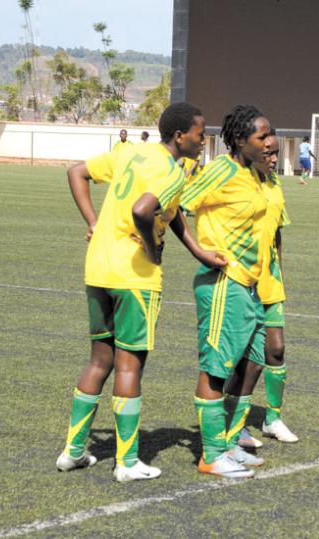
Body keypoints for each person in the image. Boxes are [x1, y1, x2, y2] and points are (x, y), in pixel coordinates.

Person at [56, 102, 226, 483]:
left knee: (100, 361)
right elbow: (144, 210)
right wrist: (151, 248)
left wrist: (94, 222)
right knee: (130, 365)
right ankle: (127, 462)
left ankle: (73, 451)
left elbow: (77, 172)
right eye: (200, 135)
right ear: (180, 136)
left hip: (98, 267)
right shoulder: (172, 171)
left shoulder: (130, 151)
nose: (203, 141)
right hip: (134, 277)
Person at [180, 104, 273, 479]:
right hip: (223, 283)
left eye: (270, 134)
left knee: (251, 360)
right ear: (239, 140)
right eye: (262, 136)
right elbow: (176, 204)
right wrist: (200, 250)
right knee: (215, 369)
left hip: (249, 286)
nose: (271, 141)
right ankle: (211, 454)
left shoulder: (251, 174)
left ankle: (228, 440)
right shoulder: (220, 170)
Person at [235, 128, 299, 449]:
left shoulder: (274, 185)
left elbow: (277, 235)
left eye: (276, 153)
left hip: (270, 280)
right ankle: (235, 423)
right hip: (243, 278)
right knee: (247, 357)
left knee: (275, 349)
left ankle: (272, 419)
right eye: (268, 153)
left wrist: (281, 274)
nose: (274, 159)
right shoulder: (240, 183)